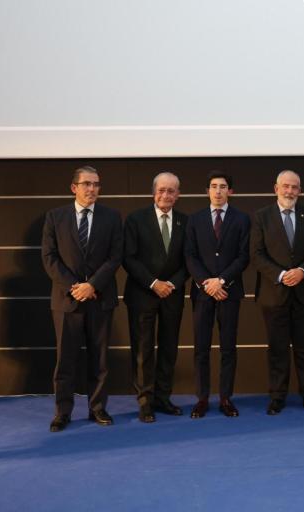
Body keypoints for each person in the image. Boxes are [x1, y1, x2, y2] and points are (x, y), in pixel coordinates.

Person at [41, 166, 123, 432]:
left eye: (96, 184)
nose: (92, 189)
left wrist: (92, 285)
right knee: (65, 360)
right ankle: (63, 412)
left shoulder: (112, 217)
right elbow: (49, 258)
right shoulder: (55, 217)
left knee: (99, 360)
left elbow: (115, 257)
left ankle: (97, 408)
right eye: (86, 184)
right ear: (73, 187)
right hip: (67, 300)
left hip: (100, 298)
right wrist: (76, 287)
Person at [251, 170, 304, 415]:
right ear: (276, 188)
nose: (290, 191)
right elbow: (256, 254)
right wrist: (283, 275)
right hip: (274, 293)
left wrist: (302, 271)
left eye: (295, 187)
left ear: (300, 191)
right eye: (285, 186)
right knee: (277, 348)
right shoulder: (261, 217)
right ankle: (277, 397)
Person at [122, 172, 189, 422]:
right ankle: (145, 401)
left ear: (178, 195)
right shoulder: (136, 219)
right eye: (162, 190)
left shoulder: (185, 221)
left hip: (172, 294)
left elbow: (189, 260)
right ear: (154, 192)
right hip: (142, 294)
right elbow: (128, 257)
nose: (166, 195)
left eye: (172, 191)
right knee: (143, 350)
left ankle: (163, 398)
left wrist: (171, 283)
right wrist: (153, 283)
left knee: (169, 348)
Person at [184, 171, 251, 418]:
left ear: (230, 191)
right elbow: (190, 255)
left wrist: (222, 281)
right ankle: (202, 398)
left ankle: (225, 398)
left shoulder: (242, 219)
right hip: (203, 294)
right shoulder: (195, 219)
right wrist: (206, 283)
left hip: (229, 293)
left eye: (223, 187)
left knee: (228, 348)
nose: (218, 191)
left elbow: (243, 256)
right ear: (207, 191)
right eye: (214, 186)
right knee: (201, 348)